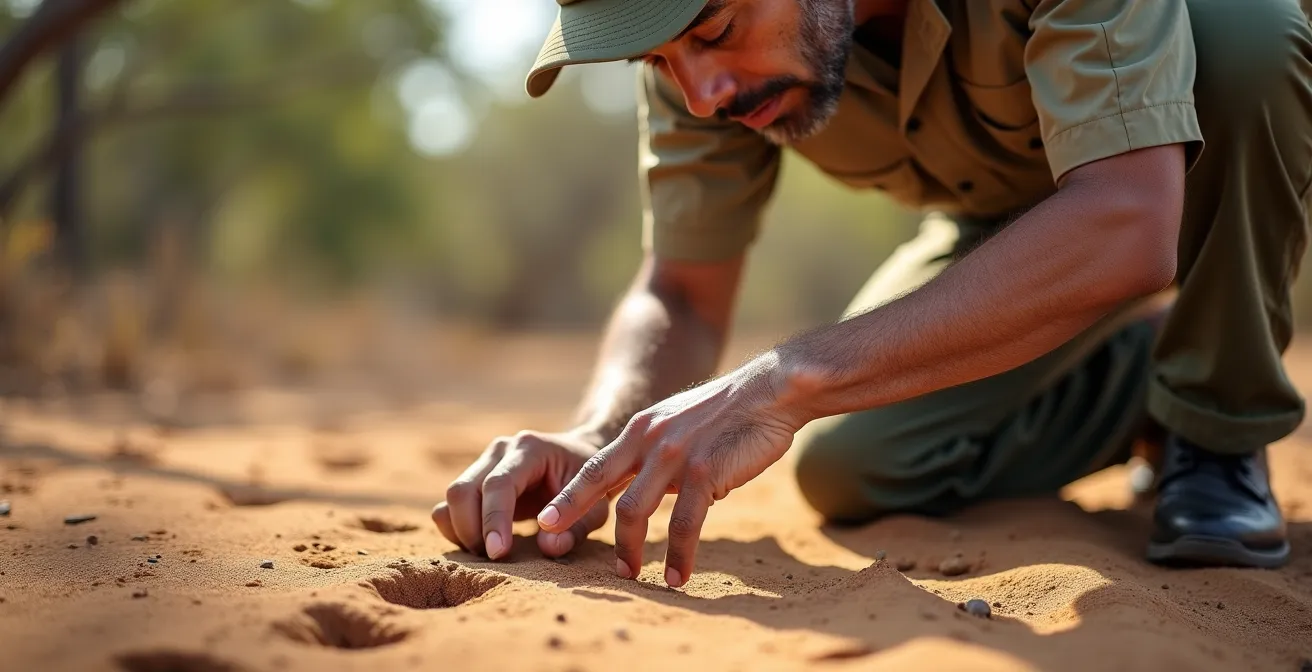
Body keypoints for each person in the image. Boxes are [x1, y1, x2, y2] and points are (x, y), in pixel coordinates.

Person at [431, 0, 1310, 587]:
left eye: (715, 29)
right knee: (854, 463)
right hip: (1009, 226)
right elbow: (685, 290)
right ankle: (1144, 381)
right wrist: (596, 439)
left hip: (1168, 170)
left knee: (1245, 35)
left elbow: (1127, 219)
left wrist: (789, 374)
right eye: (660, 58)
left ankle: (1214, 420)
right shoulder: (697, 61)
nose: (701, 94)